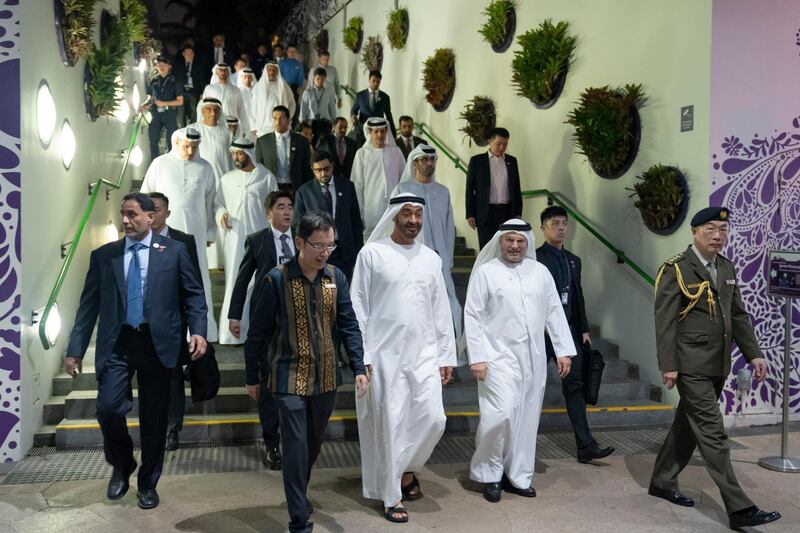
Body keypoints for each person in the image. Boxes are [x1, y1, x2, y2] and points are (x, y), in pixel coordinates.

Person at [65, 193, 207, 510]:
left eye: (132, 214)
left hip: (159, 345)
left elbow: (194, 296)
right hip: (119, 343)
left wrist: (198, 331)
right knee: (108, 408)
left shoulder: (174, 252)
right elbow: (87, 307)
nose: (126, 220)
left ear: (151, 216)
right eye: (122, 214)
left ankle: (147, 484)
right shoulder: (105, 256)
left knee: (154, 420)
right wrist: (75, 350)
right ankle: (122, 462)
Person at [648, 207, 781, 530]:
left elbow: (737, 316)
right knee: (713, 432)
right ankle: (739, 508)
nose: (718, 235)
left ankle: (662, 481)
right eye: (710, 229)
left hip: (718, 363)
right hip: (690, 364)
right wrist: (669, 365)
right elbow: (664, 322)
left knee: (688, 425)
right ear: (694, 232)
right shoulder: (676, 269)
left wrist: (755, 355)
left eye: (722, 229)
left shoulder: (726, 267)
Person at [245, 212, 369, 533]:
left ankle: (297, 491)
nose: (325, 251)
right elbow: (257, 334)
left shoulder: (336, 278)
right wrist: (251, 376)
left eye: (330, 245)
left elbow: (349, 325)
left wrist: (358, 366)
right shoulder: (276, 279)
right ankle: (299, 518)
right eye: (319, 245)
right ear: (299, 242)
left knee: (311, 446)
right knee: (297, 446)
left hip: (326, 377)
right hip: (287, 378)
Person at [351, 193, 456, 524]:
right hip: (384, 356)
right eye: (407, 214)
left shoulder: (430, 259)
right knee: (392, 424)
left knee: (434, 418)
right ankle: (391, 493)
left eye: (418, 215)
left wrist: (446, 355)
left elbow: (440, 310)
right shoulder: (372, 253)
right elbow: (358, 307)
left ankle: (408, 468)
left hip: (424, 353)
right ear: (394, 216)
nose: (413, 220)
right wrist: (361, 356)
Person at [465, 219, 575, 503]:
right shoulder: (486, 272)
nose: (514, 246)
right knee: (498, 414)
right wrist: (476, 357)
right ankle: (490, 474)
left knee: (526, 418)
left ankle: (518, 475)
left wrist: (563, 350)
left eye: (520, 241)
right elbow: (473, 315)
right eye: (509, 240)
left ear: (527, 243)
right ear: (500, 241)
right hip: (495, 358)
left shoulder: (540, 272)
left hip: (533, 358)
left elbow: (554, 311)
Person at [536, 206, 614, 463]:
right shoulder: (534, 259)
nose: (560, 227)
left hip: (569, 333)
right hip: (541, 333)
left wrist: (583, 329)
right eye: (554, 223)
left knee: (576, 386)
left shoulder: (573, 260)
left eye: (563, 223)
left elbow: (578, 297)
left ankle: (586, 446)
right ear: (543, 228)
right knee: (533, 386)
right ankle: (522, 446)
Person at [228, 190, 294, 469]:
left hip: (295, 316)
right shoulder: (257, 240)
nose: (287, 212)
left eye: (290, 207)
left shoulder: (302, 239)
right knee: (268, 381)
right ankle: (271, 443)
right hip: (266, 317)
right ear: (269, 213)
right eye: (281, 207)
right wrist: (234, 315)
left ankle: (294, 440)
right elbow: (242, 279)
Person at [140, 127, 219, 342]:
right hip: (164, 233)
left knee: (198, 277)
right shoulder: (160, 164)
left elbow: (211, 202)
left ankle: (203, 329)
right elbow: (145, 197)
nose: (191, 151)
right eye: (186, 146)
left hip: (196, 234)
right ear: (177, 143)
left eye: (195, 147)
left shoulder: (205, 168)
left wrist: (211, 231)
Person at [392, 144, 462, 342]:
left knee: (449, 304)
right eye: (425, 159)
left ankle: (450, 350)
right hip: (412, 259)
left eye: (432, 160)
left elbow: (449, 227)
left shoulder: (443, 191)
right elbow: (394, 225)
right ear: (415, 163)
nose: (429, 163)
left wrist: (448, 256)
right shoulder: (402, 189)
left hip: (440, 259)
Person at [147, 192, 200, 452]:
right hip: (144, 322)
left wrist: (196, 328)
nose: (152, 214)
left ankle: (172, 429)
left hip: (174, 321)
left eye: (157, 209)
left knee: (173, 376)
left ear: (167, 212)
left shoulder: (183, 241)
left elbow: (194, 284)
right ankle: (154, 425)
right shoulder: (135, 240)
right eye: (148, 209)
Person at [216, 136, 276, 345]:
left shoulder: (266, 177)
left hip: (258, 237)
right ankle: (231, 334)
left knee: (257, 283)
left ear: (249, 154)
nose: (236, 157)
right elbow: (218, 203)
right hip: (234, 238)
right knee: (235, 280)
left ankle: (256, 331)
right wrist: (221, 213)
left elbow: (274, 207)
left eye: (239, 154)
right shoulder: (226, 179)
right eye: (233, 154)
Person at [293, 150, 363, 278]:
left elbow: (356, 222)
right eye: (318, 170)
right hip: (317, 253)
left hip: (344, 252)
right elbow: (298, 226)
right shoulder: (304, 192)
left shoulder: (347, 187)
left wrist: (358, 252)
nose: (323, 173)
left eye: (326, 168)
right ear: (312, 170)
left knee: (342, 292)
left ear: (332, 165)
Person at [465, 127, 523, 249]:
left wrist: (518, 212)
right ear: (490, 142)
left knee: (507, 247)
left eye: (505, 144)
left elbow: (516, 188)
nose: (502, 147)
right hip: (486, 212)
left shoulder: (512, 161)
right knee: (487, 248)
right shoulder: (477, 161)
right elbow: (470, 188)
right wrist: (470, 213)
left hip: (507, 212)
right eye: (498, 144)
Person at [351, 117, 405, 240]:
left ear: (387, 132)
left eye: (382, 131)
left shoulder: (396, 152)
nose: (380, 135)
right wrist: (358, 212)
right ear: (370, 133)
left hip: (393, 207)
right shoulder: (362, 154)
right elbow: (357, 185)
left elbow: (404, 180)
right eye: (376, 131)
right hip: (371, 208)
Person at [255, 105, 313, 192]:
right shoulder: (263, 142)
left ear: (288, 120)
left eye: (281, 118)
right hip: (271, 188)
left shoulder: (301, 141)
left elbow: (307, 168)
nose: (278, 122)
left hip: (295, 189)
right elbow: (259, 168)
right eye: (275, 118)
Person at [139, 54, 184, 158]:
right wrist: (145, 105)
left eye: (164, 64)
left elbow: (180, 101)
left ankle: (171, 163)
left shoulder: (174, 82)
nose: (161, 67)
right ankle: (154, 165)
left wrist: (164, 103)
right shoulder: (154, 81)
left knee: (171, 141)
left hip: (169, 114)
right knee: (153, 140)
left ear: (169, 66)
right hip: (156, 114)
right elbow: (151, 99)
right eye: (159, 64)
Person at [350, 71, 396, 146]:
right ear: (369, 80)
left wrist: (393, 133)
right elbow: (354, 110)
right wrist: (353, 116)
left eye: (378, 82)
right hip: (362, 130)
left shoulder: (385, 97)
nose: (375, 84)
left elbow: (388, 115)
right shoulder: (360, 95)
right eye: (373, 81)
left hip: (378, 132)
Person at [203, 63, 251, 135]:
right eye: (220, 70)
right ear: (216, 72)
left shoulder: (236, 90)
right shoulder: (209, 88)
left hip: (232, 126)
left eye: (225, 70)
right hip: (214, 125)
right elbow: (204, 109)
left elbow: (242, 111)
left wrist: (245, 130)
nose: (223, 72)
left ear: (228, 72)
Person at [251, 61, 296, 137]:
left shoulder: (284, 86)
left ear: (278, 72)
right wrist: (253, 126)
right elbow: (253, 107)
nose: (272, 72)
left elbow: (292, 104)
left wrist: (288, 121)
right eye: (269, 70)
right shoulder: (258, 87)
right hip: (262, 127)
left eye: (274, 70)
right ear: (266, 71)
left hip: (280, 125)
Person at [299, 68, 337, 143]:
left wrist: (334, 121)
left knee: (324, 143)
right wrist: (302, 123)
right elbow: (303, 108)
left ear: (325, 79)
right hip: (311, 123)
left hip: (324, 123)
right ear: (314, 78)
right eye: (318, 78)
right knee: (312, 143)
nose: (320, 81)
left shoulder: (328, 92)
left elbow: (332, 108)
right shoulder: (308, 92)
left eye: (322, 79)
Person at [172, 44, 205, 128]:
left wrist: (202, 93)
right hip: (181, 91)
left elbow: (201, 80)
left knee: (195, 110)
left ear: (194, 54)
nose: (189, 55)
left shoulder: (198, 66)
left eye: (191, 53)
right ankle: (182, 128)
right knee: (181, 110)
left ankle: (192, 127)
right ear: (183, 54)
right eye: (187, 53)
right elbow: (174, 78)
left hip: (193, 90)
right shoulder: (178, 65)